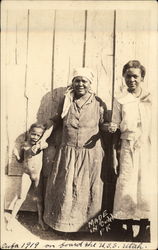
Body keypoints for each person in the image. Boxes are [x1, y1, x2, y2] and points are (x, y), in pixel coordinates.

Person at [41, 67, 108, 232]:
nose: (80, 84)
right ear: (73, 82)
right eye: (77, 80)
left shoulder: (99, 102)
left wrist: (109, 127)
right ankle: (63, 226)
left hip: (90, 154)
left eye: (84, 81)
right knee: (66, 188)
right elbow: (56, 120)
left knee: (87, 190)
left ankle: (87, 228)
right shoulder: (66, 101)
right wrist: (42, 137)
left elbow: (103, 125)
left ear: (90, 83)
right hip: (68, 152)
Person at [108, 60, 151, 241]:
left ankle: (144, 227)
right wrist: (114, 156)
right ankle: (123, 227)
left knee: (145, 186)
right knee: (125, 184)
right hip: (127, 146)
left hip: (148, 147)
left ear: (142, 78)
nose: (132, 80)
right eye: (128, 76)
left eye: (136, 76)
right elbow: (115, 128)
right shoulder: (120, 100)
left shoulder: (151, 98)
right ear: (124, 77)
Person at [6, 123, 48, 231]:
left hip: (37, 176)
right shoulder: (24, 145)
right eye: (33, 134)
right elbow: (21, 160)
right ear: (29, 133)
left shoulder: (41, 144)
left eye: (39, 135)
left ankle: (40, 220)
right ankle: (11, 220)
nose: (35, 137)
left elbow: (44, 145)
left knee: (39, 199)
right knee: (20, 197)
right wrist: (17, 156)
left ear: (42, 136)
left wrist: (39, 145)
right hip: (26, 174)